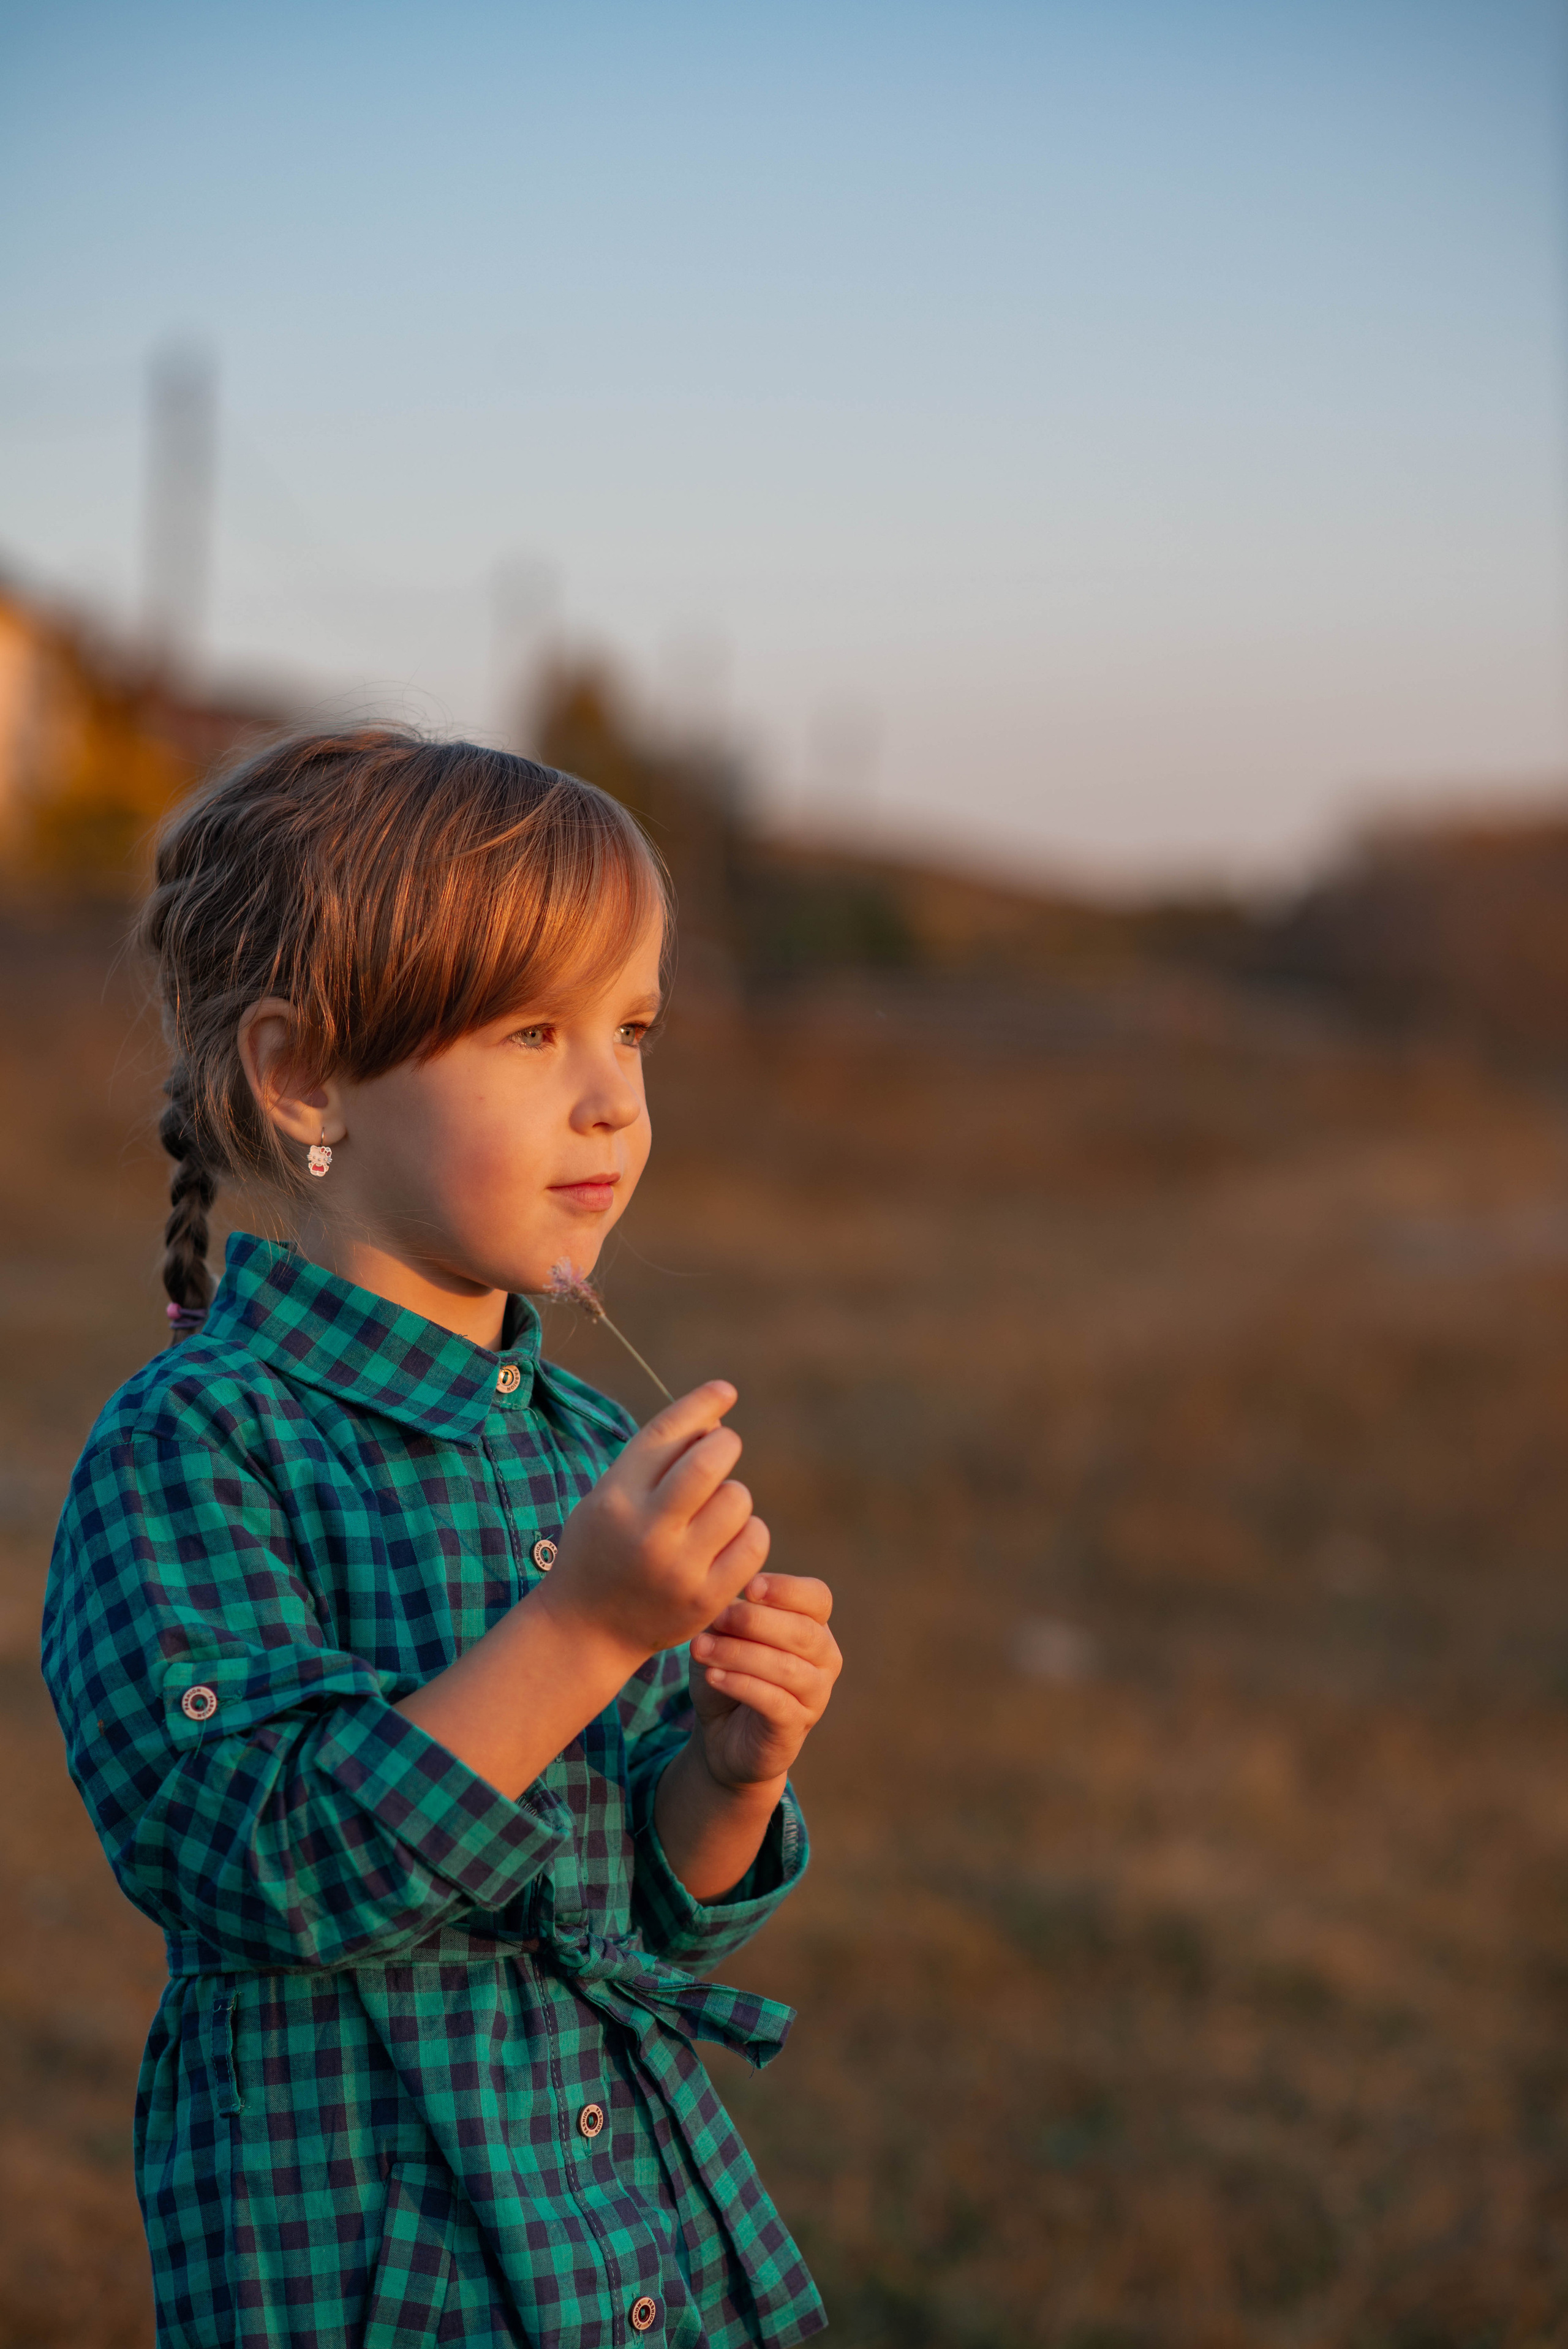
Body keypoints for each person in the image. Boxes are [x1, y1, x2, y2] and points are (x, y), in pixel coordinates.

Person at [41, 731, 841, 2349]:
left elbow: (637, 1900)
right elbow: (257, 1856)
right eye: (532, 1030)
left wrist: (729, 1773)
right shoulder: (202, 1443)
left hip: (620, 2242)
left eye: (632, 1029)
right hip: (369, 2254)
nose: (613, 1094)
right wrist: (584, 1633)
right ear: (304, 1075)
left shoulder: (576, 1452)